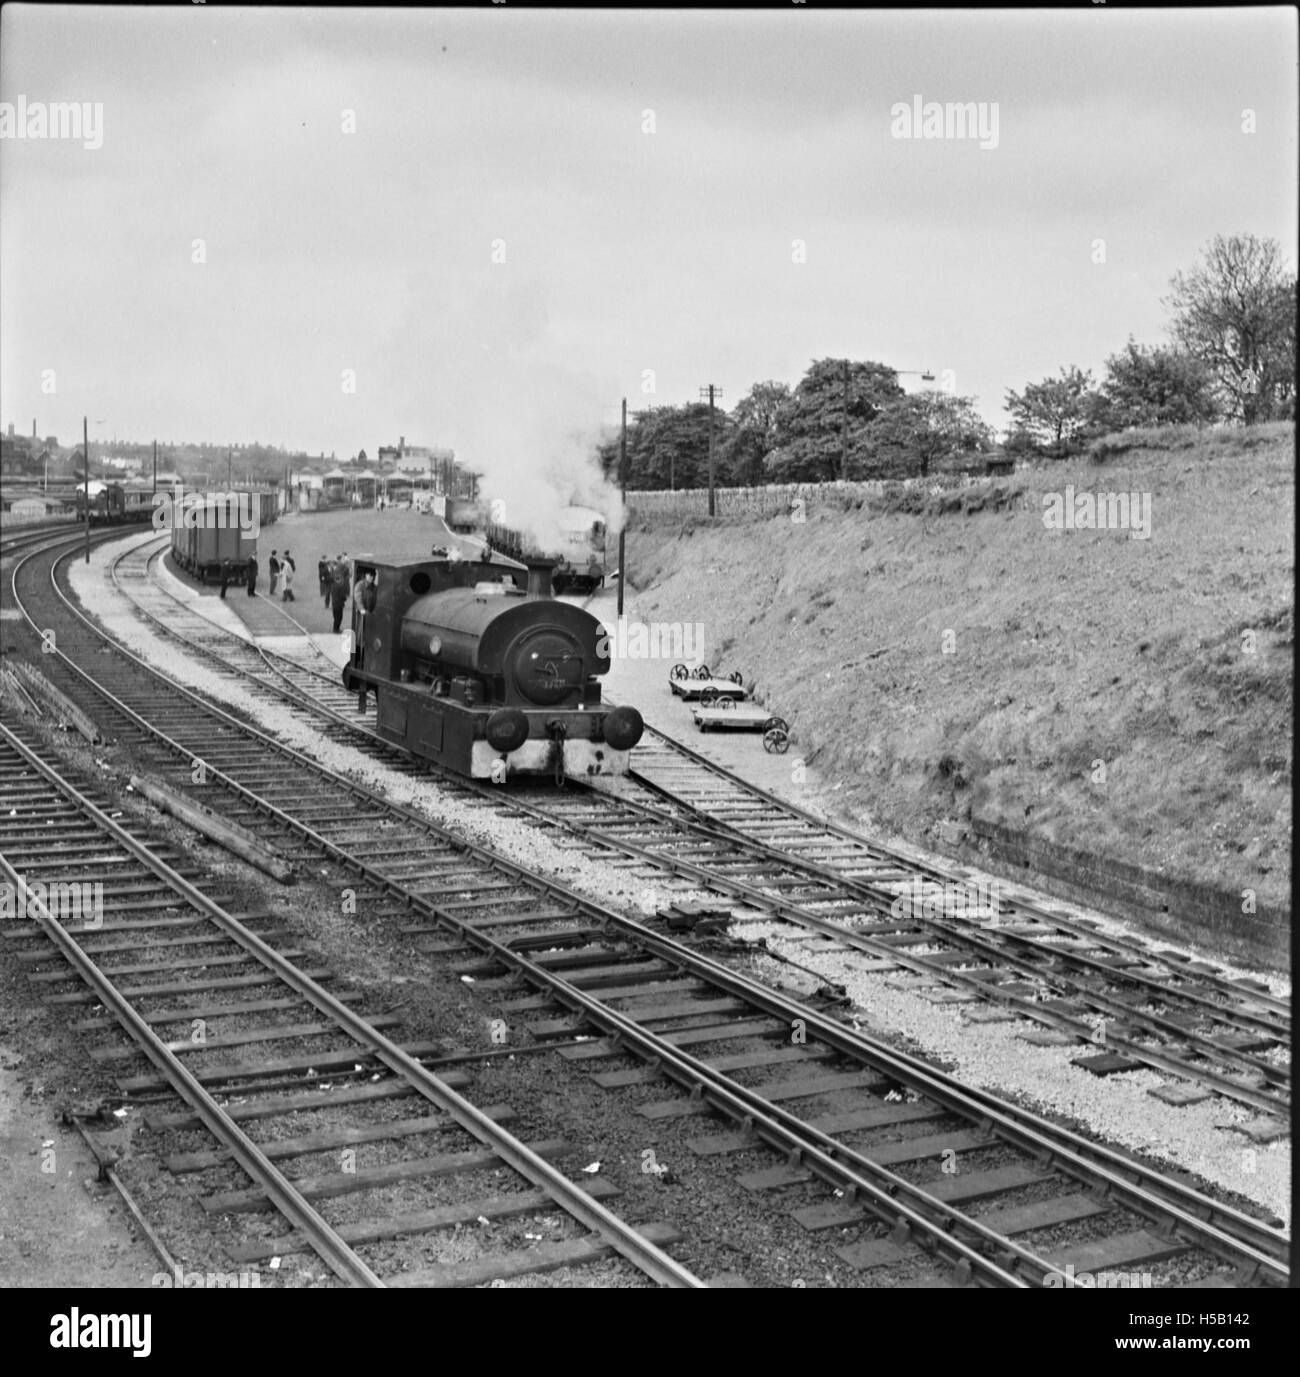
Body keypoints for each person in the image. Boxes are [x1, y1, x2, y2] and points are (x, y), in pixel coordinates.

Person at [329, 564, 350, 633]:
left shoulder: (332, 586)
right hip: (339, 605)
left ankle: (335, 628)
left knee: (335, 617)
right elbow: (342, 596)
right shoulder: (340, 587)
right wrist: (345, 599)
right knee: (339, 617)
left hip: (334, 604)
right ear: (339, 580)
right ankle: (336, 629)